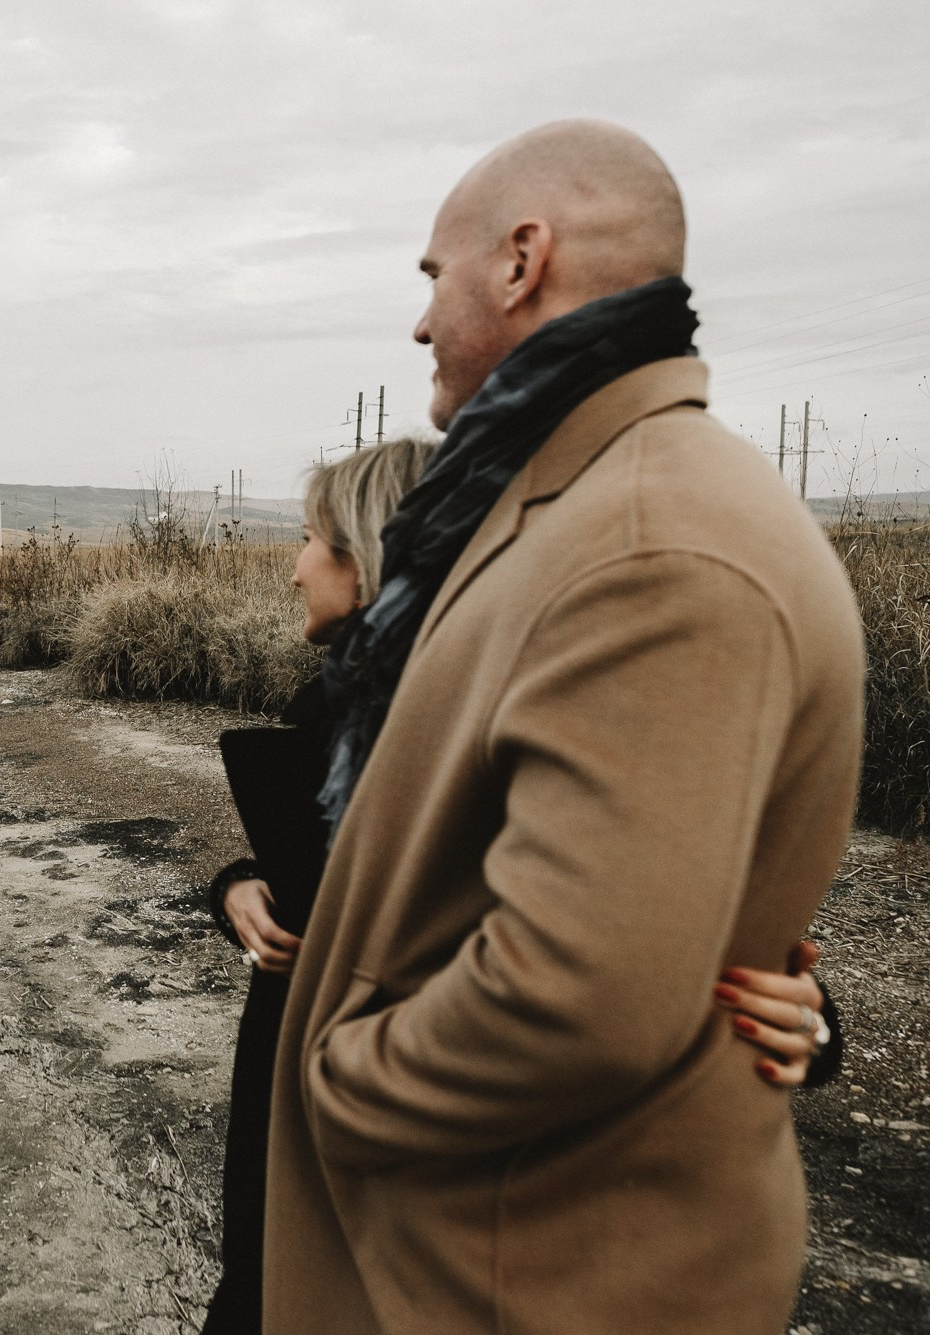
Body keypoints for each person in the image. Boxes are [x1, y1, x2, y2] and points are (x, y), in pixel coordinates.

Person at [261, 122, 865, 1333]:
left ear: (519, 259)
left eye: (431, 279)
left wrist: (339, 1076)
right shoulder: (559, 504)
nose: (420, 324)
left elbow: (574, 993)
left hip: (514, 1273)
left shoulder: (649, 541)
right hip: (486, 1243)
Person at [200, 440, 843, 1333]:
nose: (293, 568)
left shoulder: (519, 730)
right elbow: (324, 874)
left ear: (368, 554)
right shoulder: (331, 720)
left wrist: (800, 1016)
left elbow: (622, 933)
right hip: (301, 1135)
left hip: (441, 1185)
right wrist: (239, 887)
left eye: (310, 539)